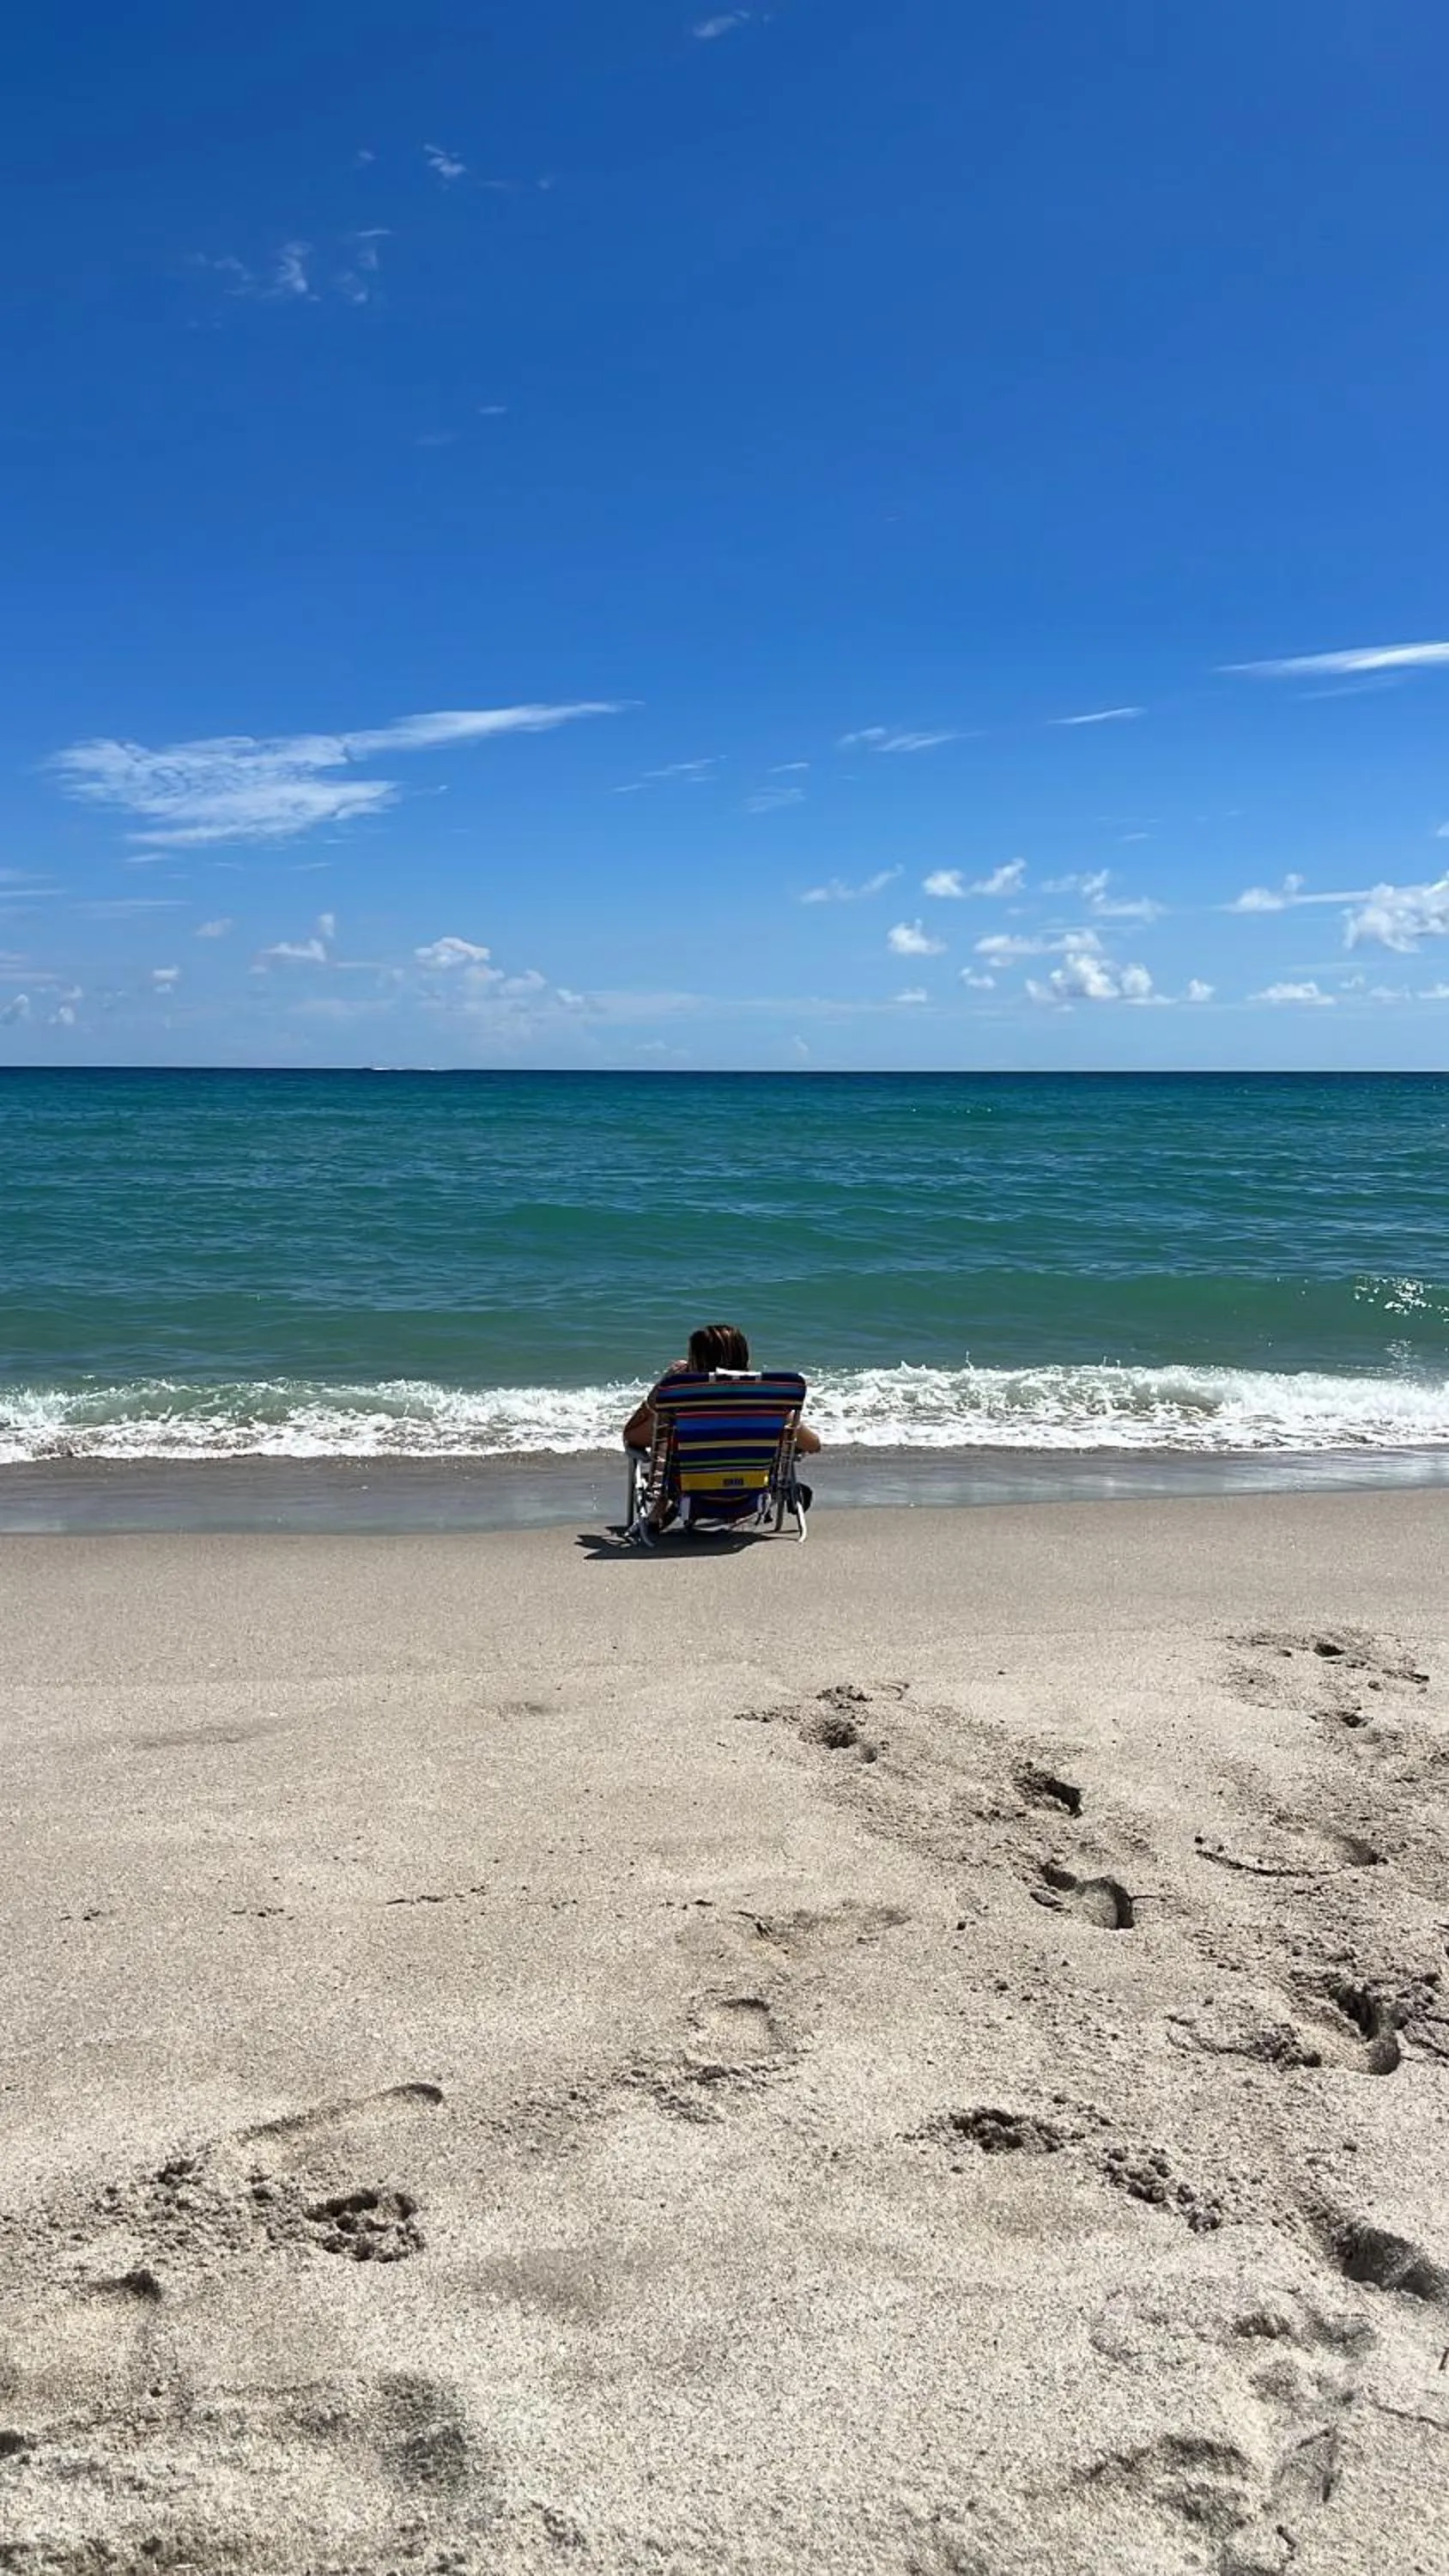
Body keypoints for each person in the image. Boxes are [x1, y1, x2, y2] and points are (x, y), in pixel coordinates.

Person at [622, 1322, 820, 1510]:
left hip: (690, 1495)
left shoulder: (680, 1411)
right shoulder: (766, 1406)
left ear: (695, 1362)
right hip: (751, 1496)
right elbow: (813, 1445)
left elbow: (631, 1436)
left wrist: (659, 1391)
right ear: (744, 1358)